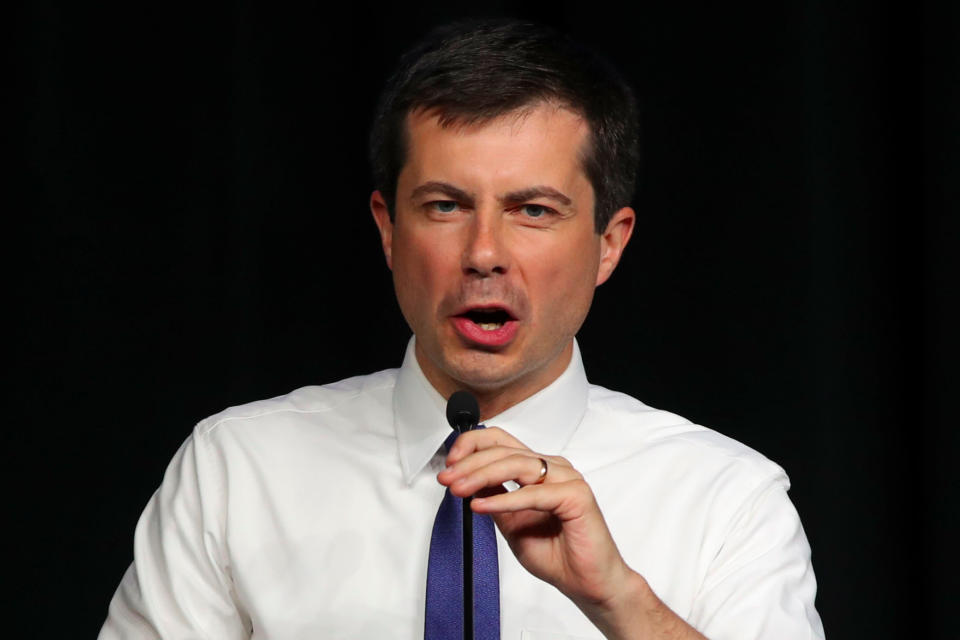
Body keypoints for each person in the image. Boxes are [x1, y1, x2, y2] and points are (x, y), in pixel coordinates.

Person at [99, 18, 824, 640]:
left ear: (610, 243)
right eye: (445, 206)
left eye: (533, 210)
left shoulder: (727, 498)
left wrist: (621, 601)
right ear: (387, 229)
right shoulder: (236, 470)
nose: (484, 254)